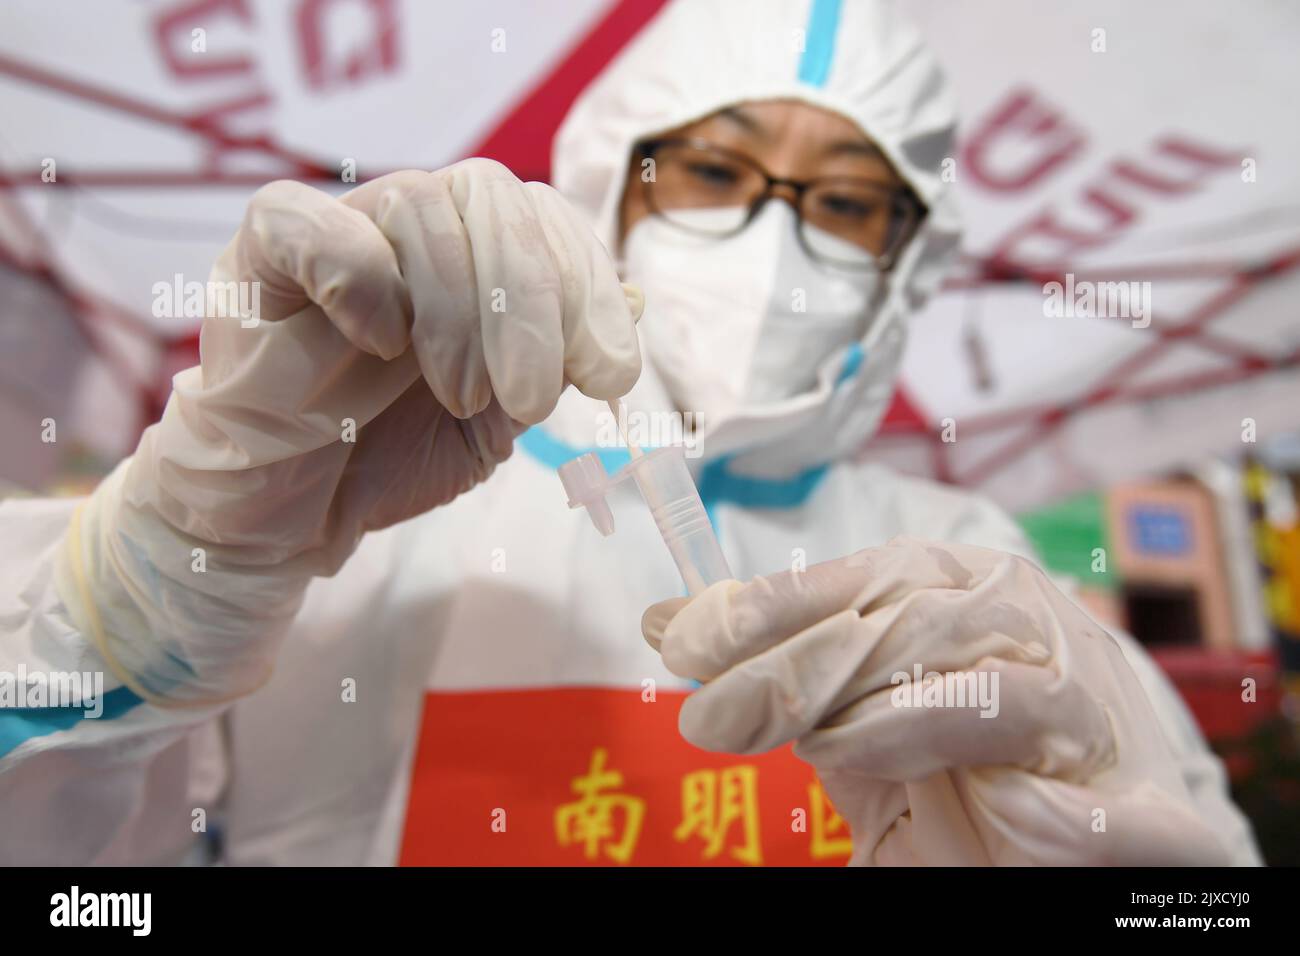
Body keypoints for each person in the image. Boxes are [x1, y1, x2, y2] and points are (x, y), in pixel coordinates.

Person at [0, 0, 1260, 865]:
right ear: (610, 184)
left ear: (905, 260)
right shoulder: (365, 503)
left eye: (844, 201)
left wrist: (1098, 835)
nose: (776, 237)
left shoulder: (992, 585)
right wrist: (170, 568)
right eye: (713, 172)